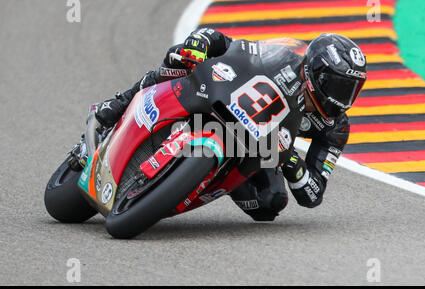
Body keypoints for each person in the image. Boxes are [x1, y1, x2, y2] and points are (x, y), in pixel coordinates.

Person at [95, 28, 367, 222]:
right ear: (314, 73)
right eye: (339, 86)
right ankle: (121, 102)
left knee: (270, 204)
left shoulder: (336, 128)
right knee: (181, 56)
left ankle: (213, 179)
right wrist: (202, 41)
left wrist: (292, 163)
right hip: (231, 102)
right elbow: (229, 44)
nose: (342, 98)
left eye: (351, 89)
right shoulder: (284, 57)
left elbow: (313, 194)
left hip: (268, 144)